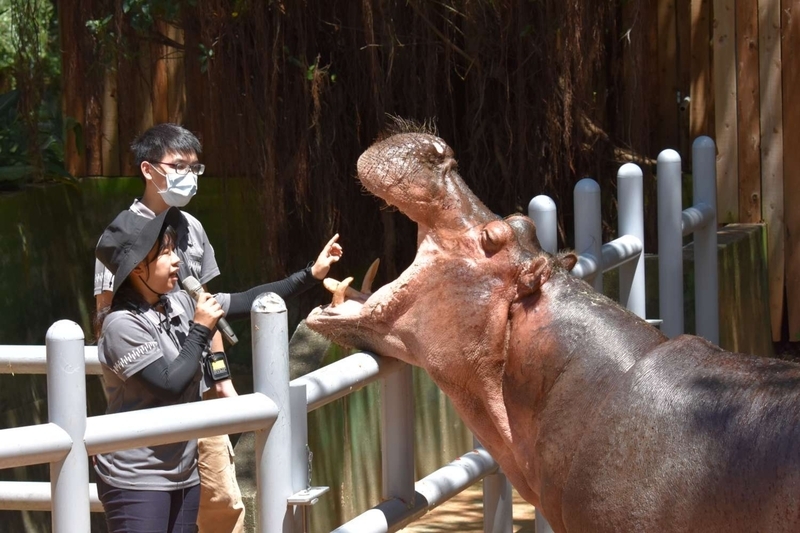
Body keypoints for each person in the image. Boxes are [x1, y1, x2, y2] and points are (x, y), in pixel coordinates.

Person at [93, 206, 342, 532]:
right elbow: (169, 386)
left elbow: (249, 298)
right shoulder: (121, 325)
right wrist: (201, 330)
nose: (177, 261)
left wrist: (311, 274)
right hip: (138, 477)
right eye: (166, 253)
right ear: (138, 268)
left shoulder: (179, 302)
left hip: (183, 470)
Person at [92, 123, 236, 531]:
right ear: (148, 170)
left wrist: (222, 383)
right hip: (150, 407)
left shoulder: (192, 227)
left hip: (199, 397)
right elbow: (109, 319)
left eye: (195, 167)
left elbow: (208, 309)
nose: (188, 176)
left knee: (223, 506)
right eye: (178, 166)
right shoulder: (120, 236)